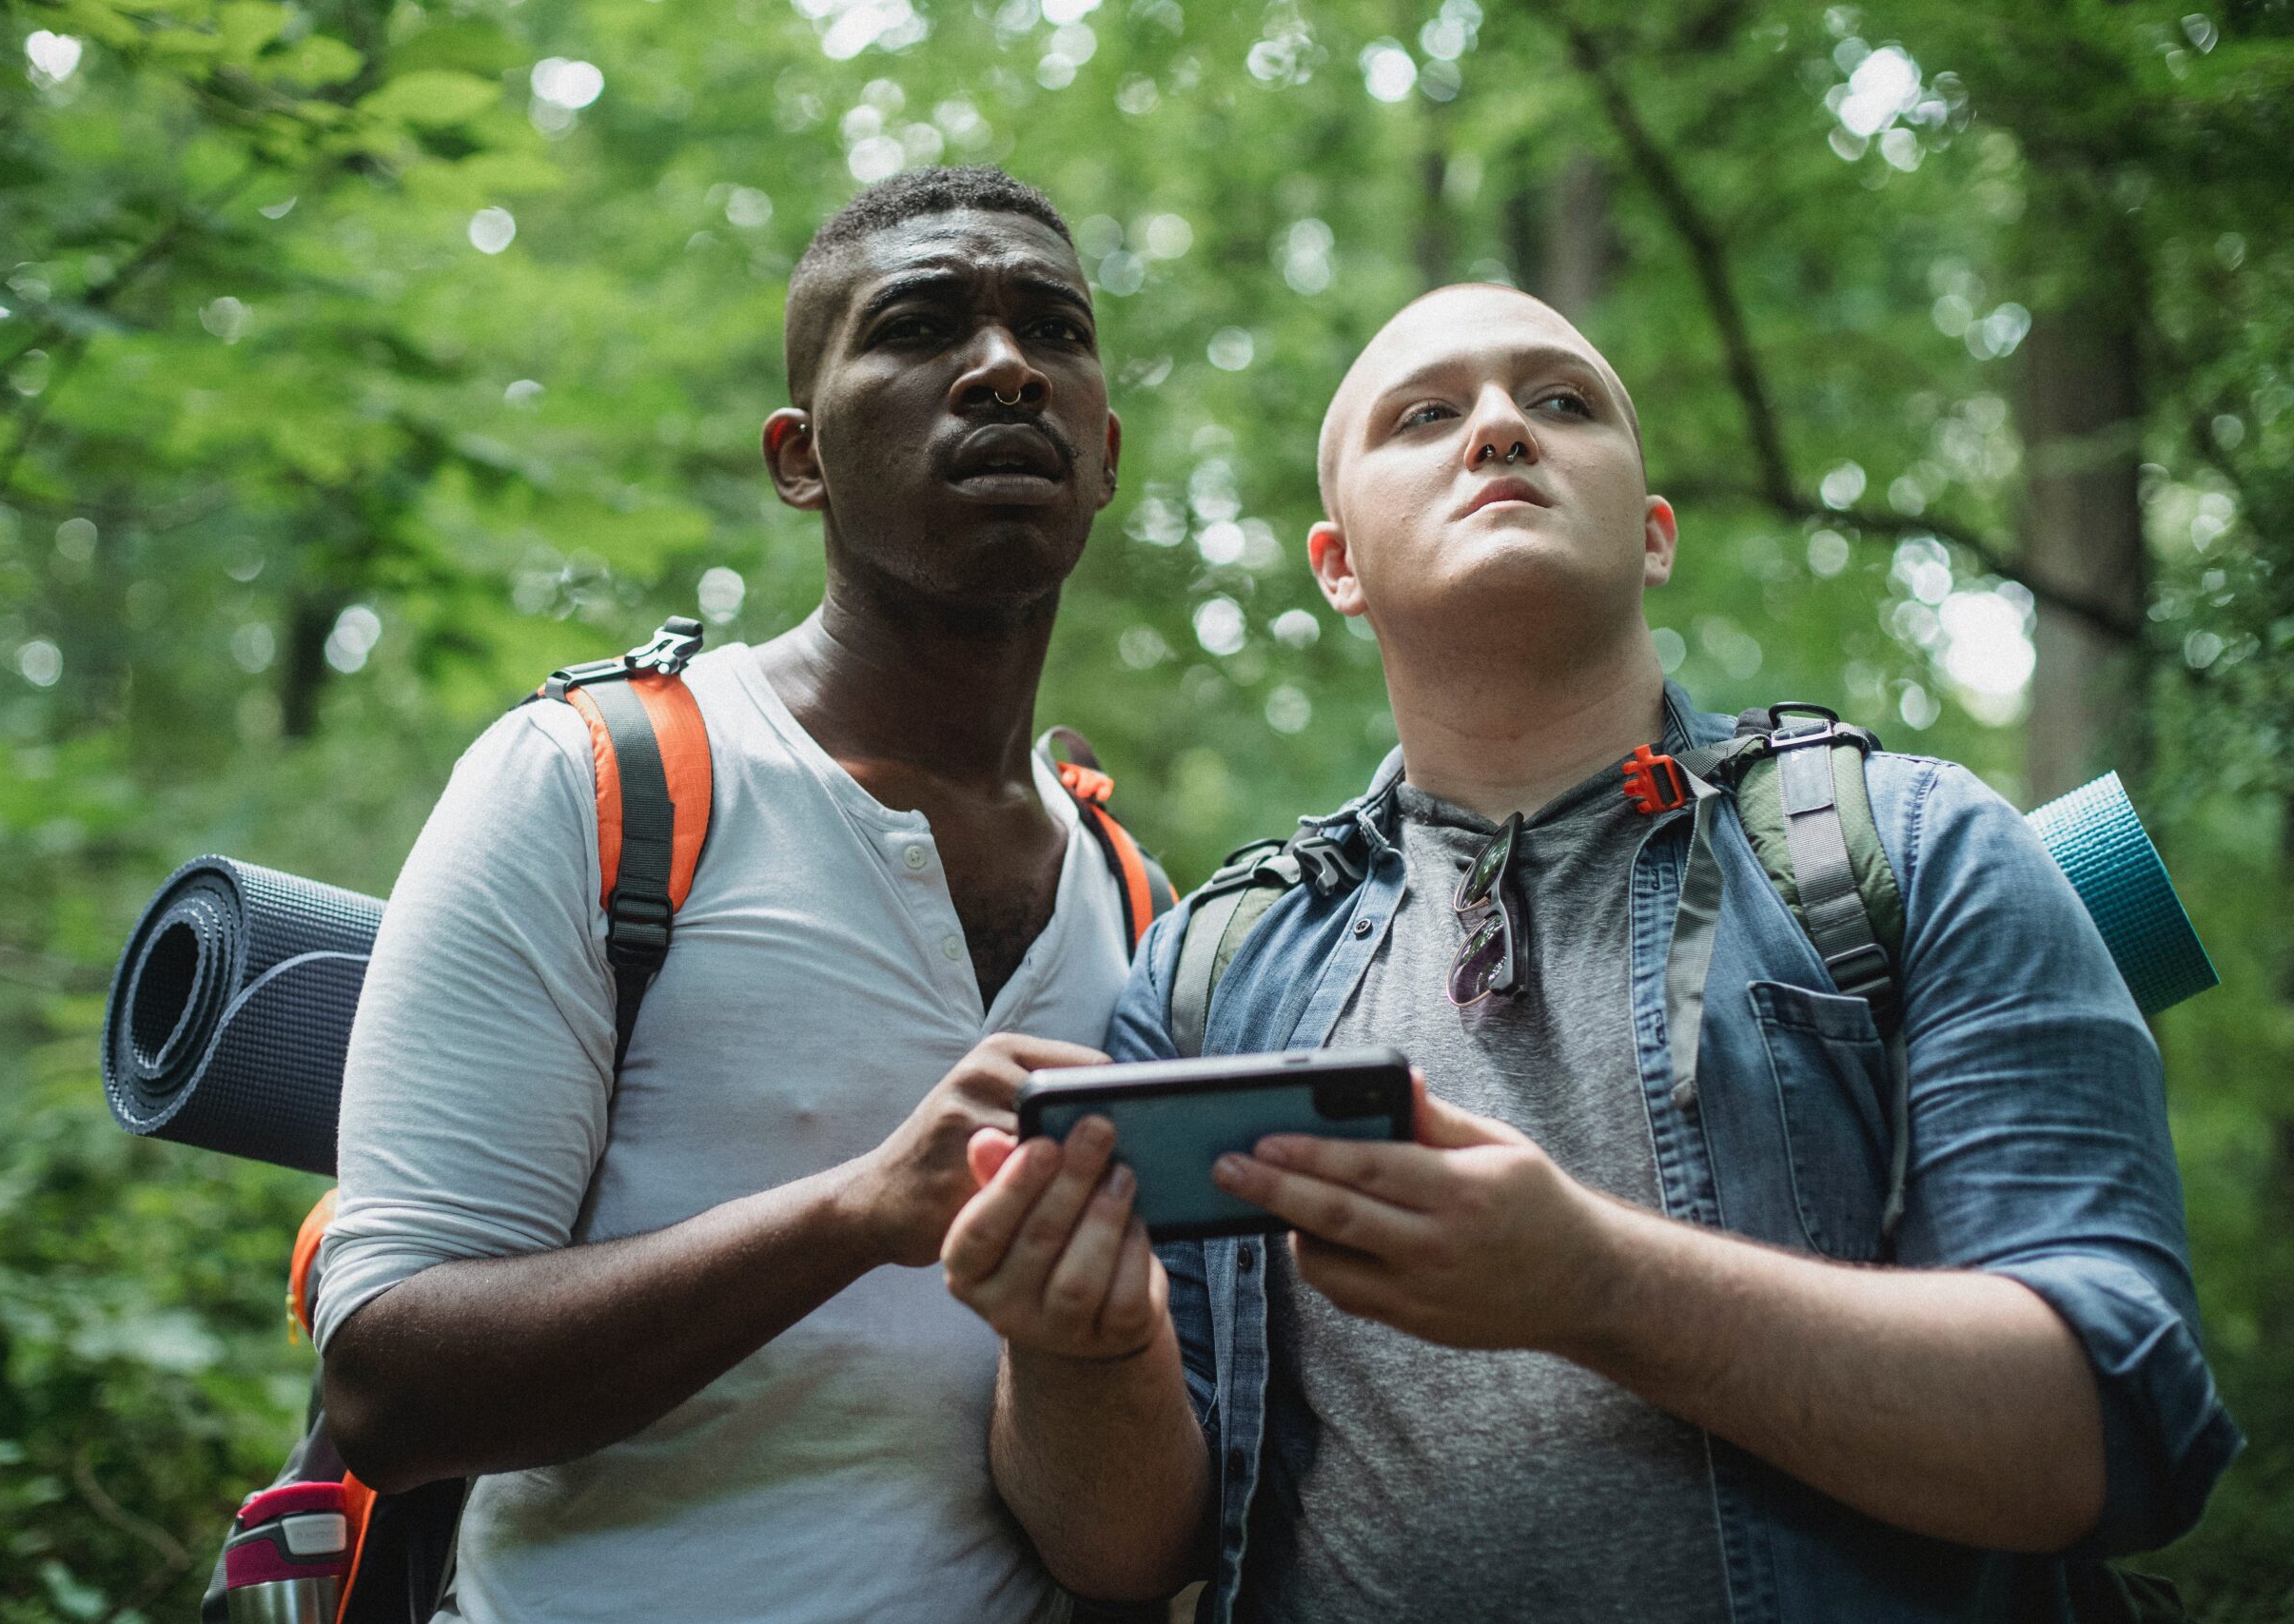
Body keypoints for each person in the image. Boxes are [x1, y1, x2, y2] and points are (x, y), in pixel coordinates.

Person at [942, 283, 2241, 1621]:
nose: (1501, 426)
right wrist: (1075, 1352)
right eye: (1427, 414)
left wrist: (1594, 1285)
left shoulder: (1917, 847)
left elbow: (2120, 1426)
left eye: (1561, 401)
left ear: (1653, 534)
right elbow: (1126, 1554)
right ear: (1337, 565)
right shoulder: (1215, 970)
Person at [311, 166, 1134, 1622]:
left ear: (1105, 448)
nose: (1005, 367)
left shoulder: (1137, 903)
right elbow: (389, 1381)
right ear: (798, 456)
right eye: (922, 325)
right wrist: (859, 1211)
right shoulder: (594, 785)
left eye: (1051, 331)